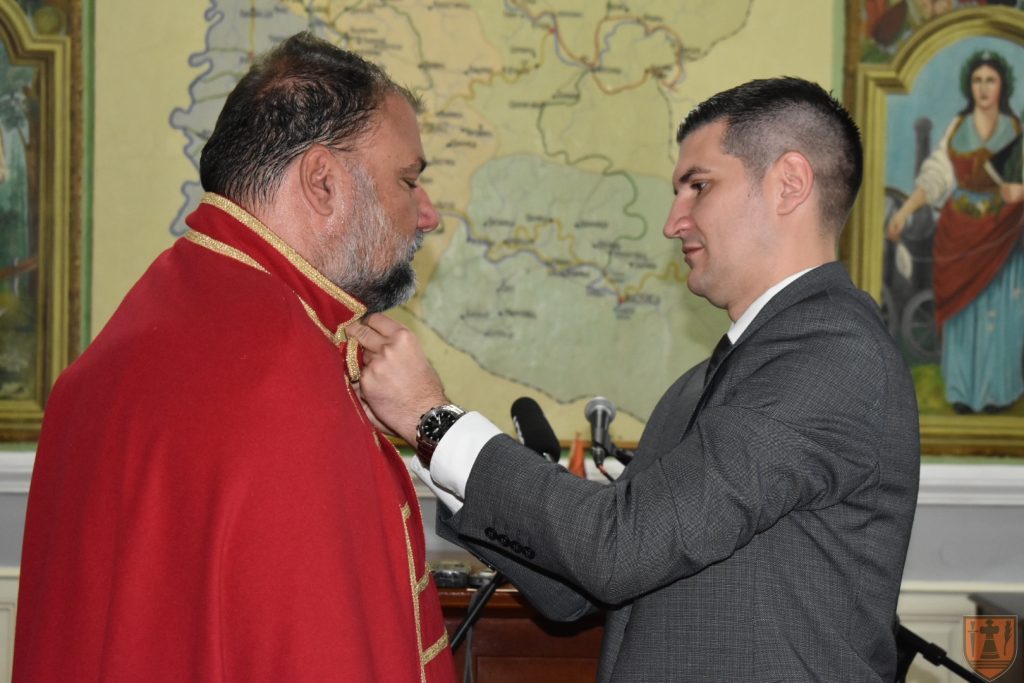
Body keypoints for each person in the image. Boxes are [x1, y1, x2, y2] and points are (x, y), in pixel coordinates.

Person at [350, 77, 921, 681]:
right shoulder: (704, 382)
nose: (674, 222)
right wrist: (427, 438)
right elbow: (578, 590)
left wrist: (434, 420)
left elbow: (619, 548)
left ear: (790, 183)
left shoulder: (832, 352)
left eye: (699, 186)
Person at [14, 33, 456, 682]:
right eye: (408, 180)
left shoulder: (116, 351)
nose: (427, 214)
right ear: (323, 182)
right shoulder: (290, 382)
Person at [888, 49, 1024, 413]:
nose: (983, 88)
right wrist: (905, 211)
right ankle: (963, 392)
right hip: (959, 233)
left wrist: (1020, 191)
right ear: (969, 85)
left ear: (1002, 86)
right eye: (977, 80)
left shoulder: (1015, 131)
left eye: (990, 80)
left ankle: (997, 394)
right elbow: (936, 177)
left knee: (999, 313)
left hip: (1002, 235)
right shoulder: (957, 129)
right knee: (961, 316)